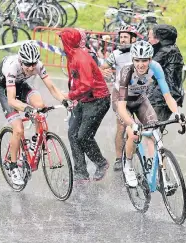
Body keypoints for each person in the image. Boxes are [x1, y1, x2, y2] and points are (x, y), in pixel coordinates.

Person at [0, 42, 67, 185]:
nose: (31, 67)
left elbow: (52, 87)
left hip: (21, 86)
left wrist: (64, 100)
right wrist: (27, 109)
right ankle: (13, 166)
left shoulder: (38, 65)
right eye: (28, 64)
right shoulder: (12, 67)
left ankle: (35, 141)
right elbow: (11, 99)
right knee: (18, 129)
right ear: (21, 61)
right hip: (6, 91)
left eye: (34, 64)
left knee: (40, 106)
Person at [116, 40, 182, 187]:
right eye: (137, 60)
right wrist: (133, 124)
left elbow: (168, 96)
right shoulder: (126, 72)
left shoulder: (156, 68)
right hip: (123, 103)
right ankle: (128, 165)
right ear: (132, 59)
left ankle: (163, 177)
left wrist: (177, 113)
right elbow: (121, 107)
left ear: (150, 59)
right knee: (133, 133)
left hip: (140, 100)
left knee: (155, 133)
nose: (141, 64)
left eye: (144, 60)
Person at [58, 28, 111, 182]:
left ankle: (101, 163)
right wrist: (73, 98)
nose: (60, 42)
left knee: (83, 136)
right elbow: (75, 80)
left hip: (98, 100)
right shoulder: (71, 55)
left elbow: (87, 85)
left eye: (62, 39)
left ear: (68, 41)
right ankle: (81, 172)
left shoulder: (81, 57)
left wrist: (70, 95)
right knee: (72, 133)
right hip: (83, 99)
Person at [100, 25, 137, 171]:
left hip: (137, 93)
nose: (122, 40)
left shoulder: (139, 52)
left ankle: (131, 156)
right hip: (119, 92)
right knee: (122, 126)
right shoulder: (115, 54)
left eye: (125, 37)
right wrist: (105, 70)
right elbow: (103, 67)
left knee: (136, 126)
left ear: (133, 39)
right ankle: (118, 158)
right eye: (121, 37)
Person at [148, 24, 185, 122]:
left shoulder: (167, 51)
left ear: (160, 39)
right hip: (164, 95)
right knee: (152, 128)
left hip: (162, 98)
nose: (149, 41)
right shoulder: (172, 49)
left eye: (150, 37)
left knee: (152, 128)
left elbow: (145, 66)